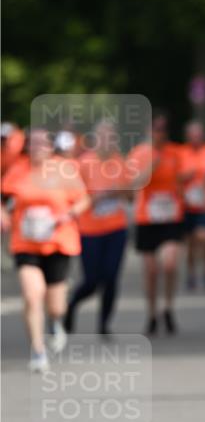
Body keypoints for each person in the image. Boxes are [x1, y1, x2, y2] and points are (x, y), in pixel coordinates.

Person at [1, 128, 90, 371]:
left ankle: (55, 321)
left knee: (56, 305)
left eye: (43, 143)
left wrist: (68, 214)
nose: (37, 148)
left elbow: (83, 199)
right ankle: (38, 351)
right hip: (26, 242)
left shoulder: (64, 169)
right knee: (32, 295)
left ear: (51, 147)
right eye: (33, 143)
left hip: (58, 242)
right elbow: (3, 196)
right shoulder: (18, 169)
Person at [65, 121, 132, 336]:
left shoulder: (120, 163)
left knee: (111, 276)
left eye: (111, 137)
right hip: (89, 230)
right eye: (103, 137)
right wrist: (97, 196)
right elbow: (73, 196)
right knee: (92, 280)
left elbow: (130, 195)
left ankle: (104, 324)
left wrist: (118, 192)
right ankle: (71, 306)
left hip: (116, 228)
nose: (108, 141)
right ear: (95, 139)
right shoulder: (84, 163)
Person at [127, 112, 184, 335]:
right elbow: (134, 183)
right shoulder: (139, 154)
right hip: (147, 218)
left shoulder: (176, 153)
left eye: (163, 130)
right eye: (155, 130)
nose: (159, 134)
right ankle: (152, 313)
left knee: (169, 264)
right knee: (151, 270)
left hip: (171, 215)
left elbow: (181, 180)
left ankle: (168, 307)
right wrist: (153, 164)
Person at [180, 121, 205, 293]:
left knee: (204, 240)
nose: (196, 138)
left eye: (199, 134)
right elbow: (174, 177)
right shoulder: (181, 153)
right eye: (192, 135)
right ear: (188, 136)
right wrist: (186, 176)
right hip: (187, 204)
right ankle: (191, 275)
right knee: (190, 244)